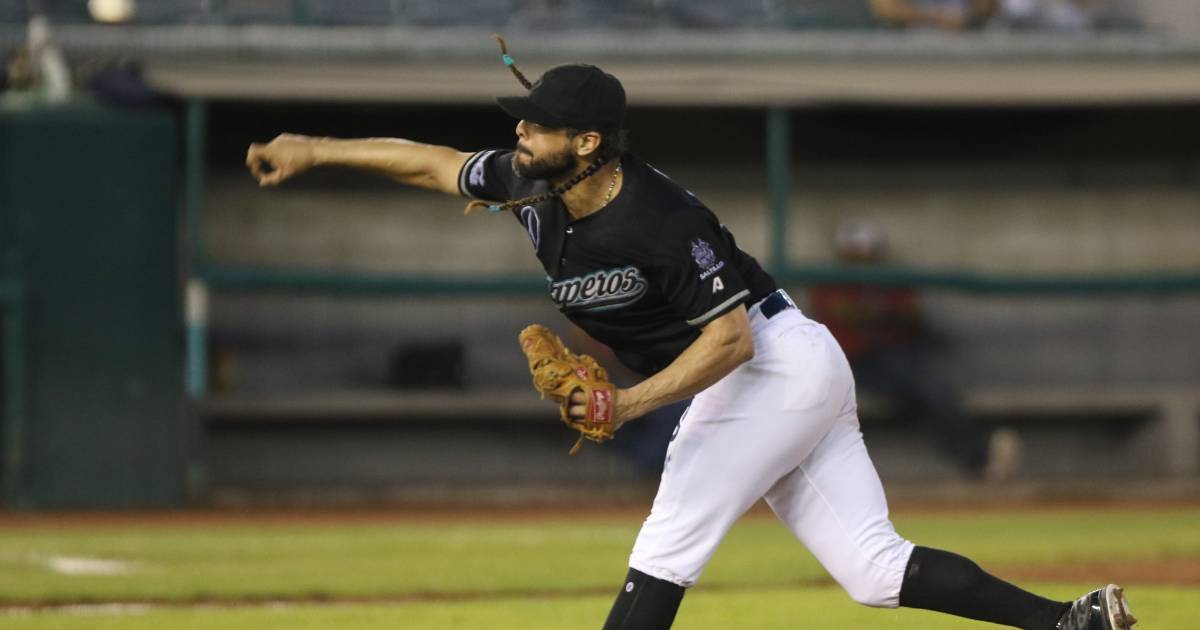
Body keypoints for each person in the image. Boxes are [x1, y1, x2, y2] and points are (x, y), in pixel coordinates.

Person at [245, 53, 1136, 630]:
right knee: (874, 570)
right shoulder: (529, 180)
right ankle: (1073, 621)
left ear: (587, 142)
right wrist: (314, 148)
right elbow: (432, 162)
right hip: (784, 368)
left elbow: (730, 341)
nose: (519, 132)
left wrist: (628, 402)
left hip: (769, 364)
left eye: (538, 124)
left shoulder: (661, 220)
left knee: (666, 546)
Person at [808, 220, 1018, 480]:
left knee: (932, 383)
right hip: (860, 364)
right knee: (926, 385)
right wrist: (880, 313)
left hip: (901, 357)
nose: (863, 260)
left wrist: (883, 313)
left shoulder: (889, 279)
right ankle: (980, 458)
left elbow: (911, 312)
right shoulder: (831, 283)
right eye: (855, 254)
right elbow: (844, 312)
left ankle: (980, 459)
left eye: (867, 253)